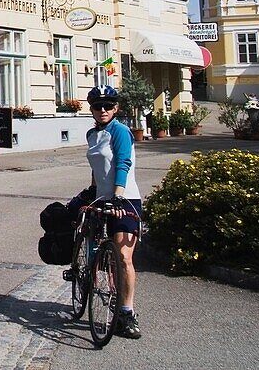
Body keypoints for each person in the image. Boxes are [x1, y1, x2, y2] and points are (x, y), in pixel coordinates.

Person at [81, 85, 143, 339]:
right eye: (98, 106)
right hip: (102, 198)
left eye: (108, 106)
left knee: (124, 257)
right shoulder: (91, 134)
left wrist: (118, 195)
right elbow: (98, 167)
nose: (103, 110)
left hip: (125, 200)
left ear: (116, 108)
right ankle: (88, 279)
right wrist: (92, 191)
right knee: (96, 250)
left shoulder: (120, 131)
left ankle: (126, 313)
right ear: (92, 109)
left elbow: (123, 163)